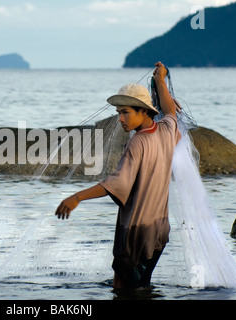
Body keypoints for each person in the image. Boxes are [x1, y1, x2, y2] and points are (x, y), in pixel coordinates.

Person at [55, 61, 181, 291]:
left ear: (143, 111)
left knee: (121, 290)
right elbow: (170, 110)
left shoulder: (138, 142)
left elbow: (117, 182)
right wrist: (161, 79)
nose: (120, 119)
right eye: (118, 113)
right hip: (160, 230)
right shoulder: (167, 129)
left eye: (125, 113)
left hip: (136, 232)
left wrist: (77, 197)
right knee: (142, 288)